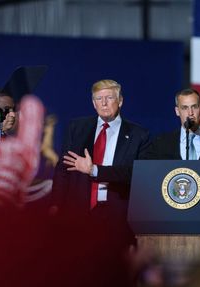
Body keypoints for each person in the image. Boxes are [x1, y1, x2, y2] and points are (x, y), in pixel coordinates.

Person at [51, 80, 150, 243]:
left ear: (120, 101)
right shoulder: (77, 128)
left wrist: (94, 170)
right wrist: (55, 206)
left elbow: (135, 174)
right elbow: (62, 171)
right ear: (93, 103)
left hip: (116, 217)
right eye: (99, 98)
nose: (104, 103)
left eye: (109, 98)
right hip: (77, 215)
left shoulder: (138, 135)